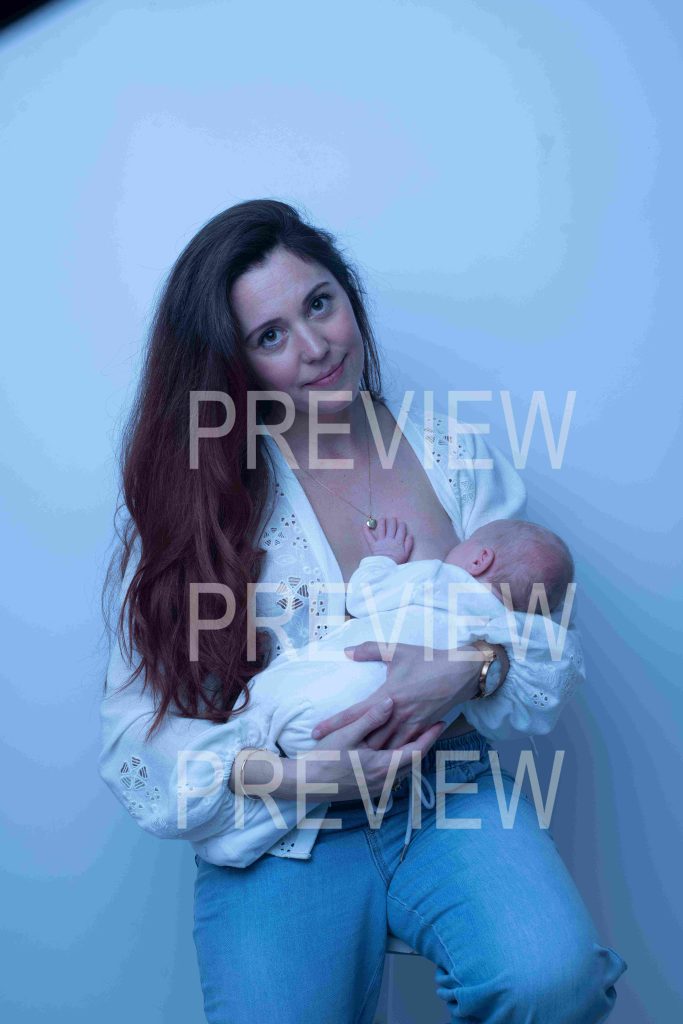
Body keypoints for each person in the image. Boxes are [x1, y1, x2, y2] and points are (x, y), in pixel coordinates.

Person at [98, 199, 627, 1023]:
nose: (315, 347)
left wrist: (464, 669)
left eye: (320, 303)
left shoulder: (450, 452)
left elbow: (531, 628)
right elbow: (137, 734)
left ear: (348, 293)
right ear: (231, 364)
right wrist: (298, 777)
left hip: (444, 789)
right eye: (269, 336)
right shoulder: (199, 496)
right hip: (282, 825)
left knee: (551, 980)